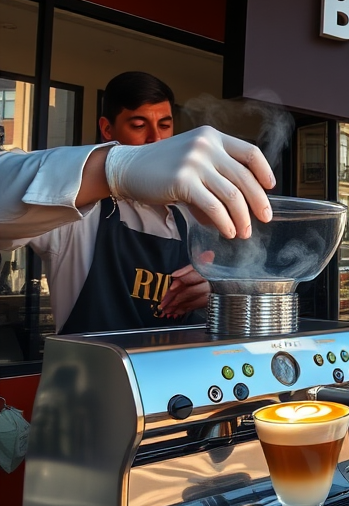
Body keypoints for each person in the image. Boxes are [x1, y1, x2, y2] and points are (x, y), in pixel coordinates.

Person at [0, 71, 274, 335]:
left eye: (165, 125)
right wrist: (113, 168)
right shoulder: (81, 213)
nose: (156, 139)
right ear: (107, 129)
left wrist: (215, 287)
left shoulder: (186, 217)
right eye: (139, 125)